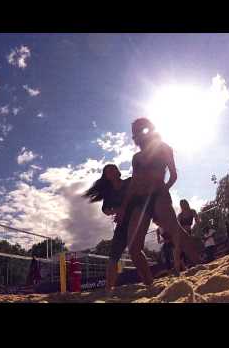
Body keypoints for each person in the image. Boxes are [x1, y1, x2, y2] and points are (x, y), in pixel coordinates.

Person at [116, 118, 201, 284]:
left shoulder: (163, 148)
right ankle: (150, 285)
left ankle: (200, 265)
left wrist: (164, 189)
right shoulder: (136, 157)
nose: (137, 136)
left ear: (149, 129)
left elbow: (173, 175)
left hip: (158, 196)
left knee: (177, 233)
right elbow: (133, 184)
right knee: (133, 248)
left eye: (140, 130)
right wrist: (123, 208)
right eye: (134, 134)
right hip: (139, 201)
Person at [83, 164, 132, 294]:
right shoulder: (109, 193)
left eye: (114, 168)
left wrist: (124, 209)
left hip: (137, 219)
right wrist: (116, 211)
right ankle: (108, 290)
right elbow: (105, 210)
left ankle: (149, 282)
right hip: (121, 224)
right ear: (106, 177)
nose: (113, 171)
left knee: (135, 251)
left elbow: (139, 198)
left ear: (118, 171)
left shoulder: (130, 181)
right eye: (109, 171)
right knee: (113, 257)